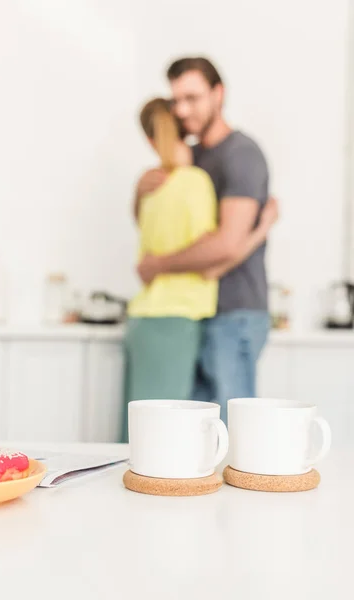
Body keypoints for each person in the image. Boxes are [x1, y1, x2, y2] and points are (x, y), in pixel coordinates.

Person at [125, 95, 276, 437]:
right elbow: (218, 253)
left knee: (154, 431)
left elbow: (145, 228)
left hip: (153, 317)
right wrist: (262, 228)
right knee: (179, 433)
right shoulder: (194, 182)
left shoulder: (152, 185)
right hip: (178, 319)